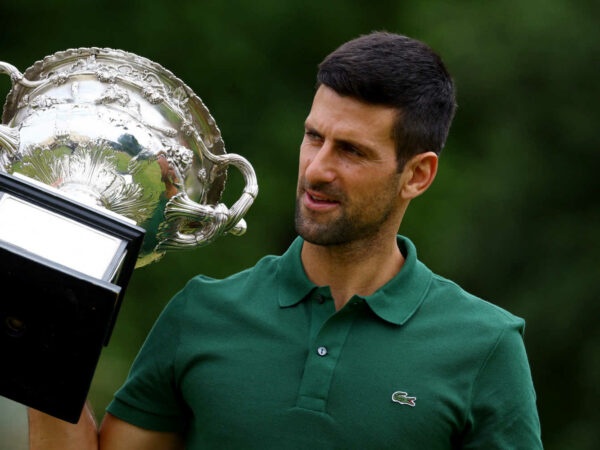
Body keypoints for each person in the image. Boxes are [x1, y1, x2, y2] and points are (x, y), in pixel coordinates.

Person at [28, 31, 542, 449]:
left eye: (352, 152)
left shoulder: (484, 345)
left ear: (417, 176)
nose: (317, 170)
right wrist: (43, 314)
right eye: (314, 136)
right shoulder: (204, 313)